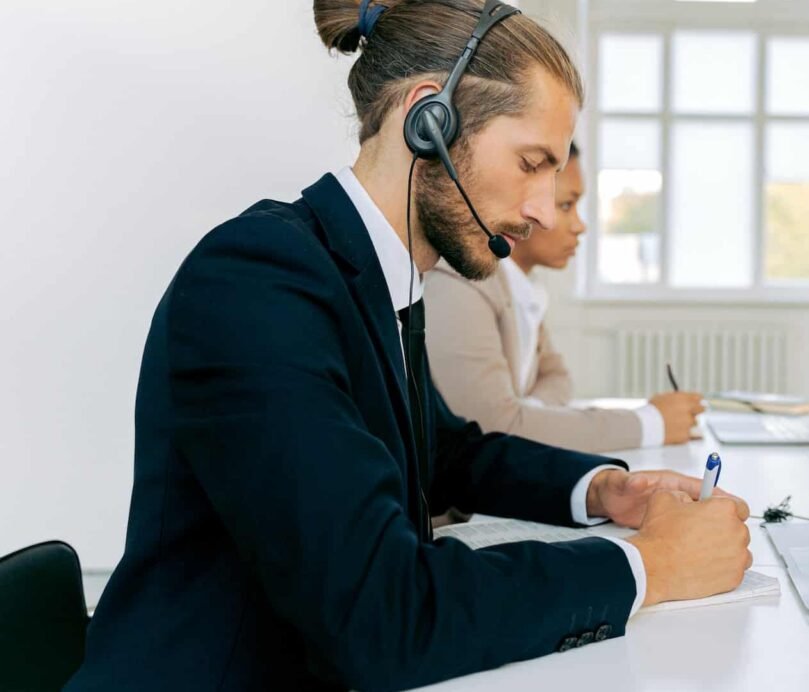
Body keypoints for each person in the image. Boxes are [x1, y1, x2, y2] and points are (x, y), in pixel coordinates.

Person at [65, 2, 751, 690]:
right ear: (430, 120)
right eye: (531, 163)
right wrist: (649, 564)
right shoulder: (258, 281)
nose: (544, 209)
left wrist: (606, 491)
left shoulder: (379, 277)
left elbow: (444, 451)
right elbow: (382, 612)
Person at [424, 143, 704, 453]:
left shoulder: (519, 286)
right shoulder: (459, 283)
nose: (580, 226)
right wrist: (651, 423)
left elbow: (557, 377)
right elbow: (494, 428)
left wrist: (526, 413)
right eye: (567, 205)